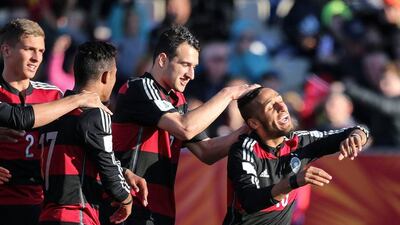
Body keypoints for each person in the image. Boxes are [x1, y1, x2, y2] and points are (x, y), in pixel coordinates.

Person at [112, 25, 258, 225]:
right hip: (129, 211)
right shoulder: (139, 87)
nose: (192, 75)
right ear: (163, 60)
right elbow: (185, 128)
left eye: (195, 67)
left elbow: (207, 151)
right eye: (185, 65)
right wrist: (229, 94)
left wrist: (249, 128)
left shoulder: (178, 101)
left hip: (160, 213)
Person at [0, 18, 109, 225]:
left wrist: (122, 170)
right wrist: (78, 98)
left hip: (44, 205)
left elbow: (88, 141)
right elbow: (22, 118)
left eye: (41, 51)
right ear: (6, 50)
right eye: (29, 49)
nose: (36, 58)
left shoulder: (54, 96)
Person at [223, 87, 369, 225]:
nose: (282, 108)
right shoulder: (244, 150)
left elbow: (357, 129)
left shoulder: (300, 141)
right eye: (270, 107)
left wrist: (357, 136)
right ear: (254, 123)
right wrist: (293, 182)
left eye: (280, 100)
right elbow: (251, 201)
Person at [38, 41, 147, 225]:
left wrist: (123, 172)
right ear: (106, 76)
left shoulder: (50, 113)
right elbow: (108, 170)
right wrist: (126, 198)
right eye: (115, 76)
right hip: (77, 216)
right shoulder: (95, 113)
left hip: (47, 216)